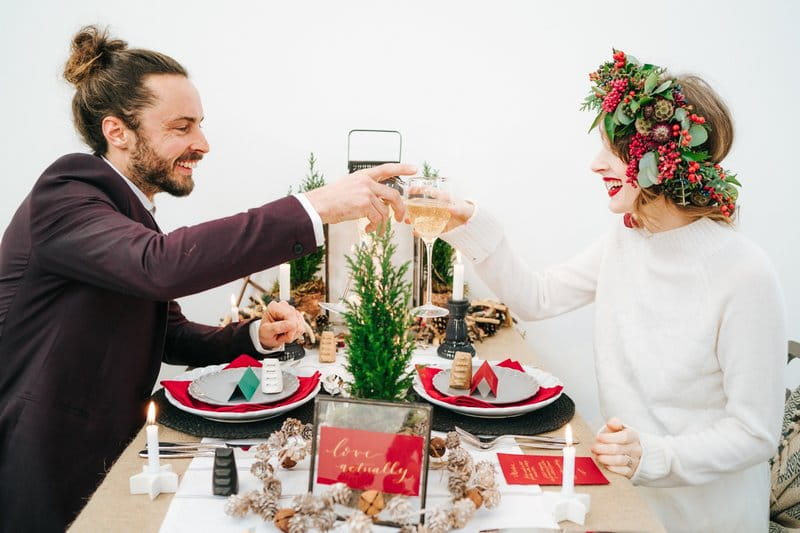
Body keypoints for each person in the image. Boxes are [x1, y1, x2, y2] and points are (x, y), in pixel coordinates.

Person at [0, 25, 414, 531]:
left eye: (200, 125)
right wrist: (316, 206)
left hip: (117, 451)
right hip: (46, 458)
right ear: (117, 132)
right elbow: (162, 266)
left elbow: (167, 332)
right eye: (182, 127)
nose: (203, 144)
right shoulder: (66, 192)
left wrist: (253, 336)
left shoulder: (125, 213)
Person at [439, 50, 785, 532]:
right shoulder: (627, 238)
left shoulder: (746, 273)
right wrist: (469, 221)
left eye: (612, 149)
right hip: (626, 496)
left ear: (660, 159)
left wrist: (654, 454)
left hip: (707, 518)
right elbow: (537, 298)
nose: (594, 165)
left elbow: (756, 434)